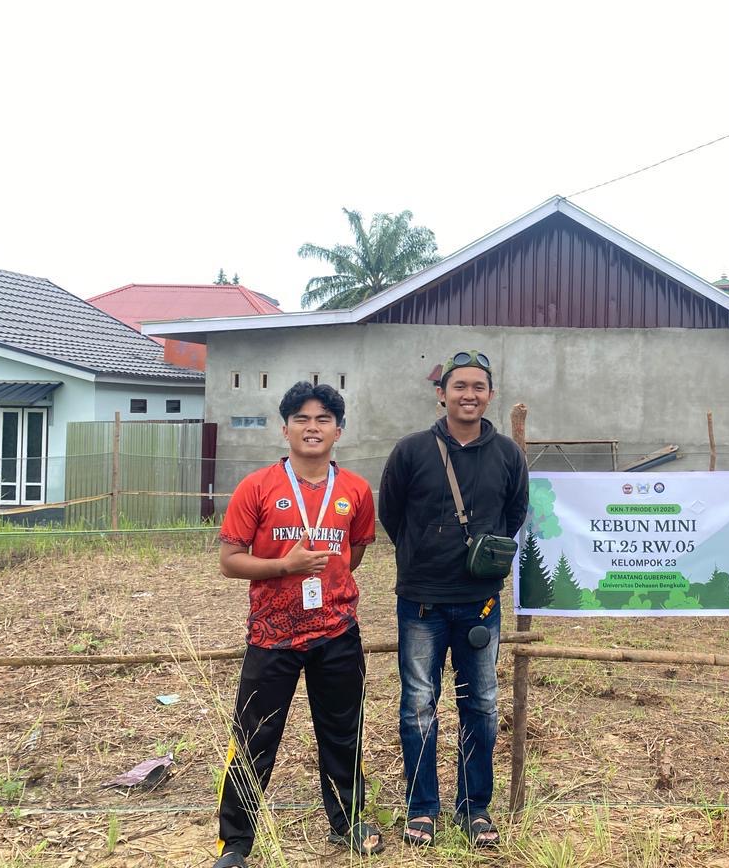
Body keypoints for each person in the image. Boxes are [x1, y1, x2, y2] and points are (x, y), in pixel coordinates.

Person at [213, 382, 382, 867]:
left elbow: (356, 552)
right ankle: (236, 843)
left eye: (324, 419)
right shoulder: (257, 487)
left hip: (337, 632)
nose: (313, 428)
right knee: (254, 736)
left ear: (339, 431)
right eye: (303, 419)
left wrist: (326, 583)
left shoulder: (355, 490)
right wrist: (285, 567)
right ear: (285, 428)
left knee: (342, 731)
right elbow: (230, 561)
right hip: (272, 634)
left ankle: (348, 823)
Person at [378, 349, 529, 849]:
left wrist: (478, 561)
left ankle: (474, 808)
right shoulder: (411, 450)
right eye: (459, 386)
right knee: (419, 705)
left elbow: (514, 514)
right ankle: (422, 809)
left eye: (478, 387)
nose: (469, 395)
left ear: (490, 395)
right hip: (421, 602)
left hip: (480, 603)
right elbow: (392, 514)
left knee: (482, 706)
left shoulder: (508, 455)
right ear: (441, 393)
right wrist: (424, 554)